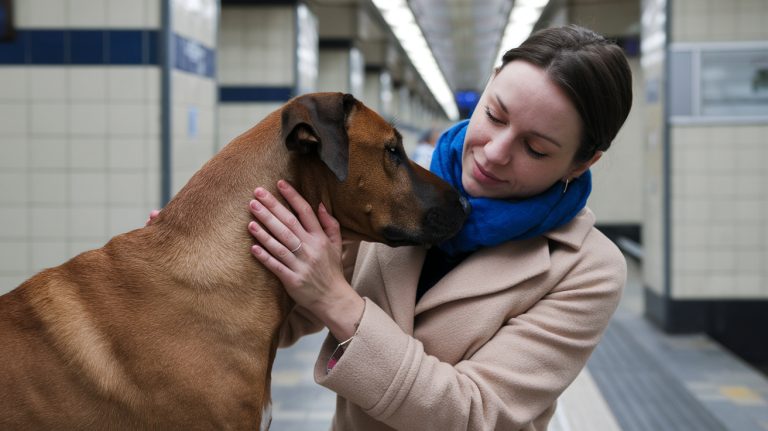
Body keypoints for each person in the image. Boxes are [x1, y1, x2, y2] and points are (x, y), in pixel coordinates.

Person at [198, 24, 632, 430]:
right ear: (489, 83)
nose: (495, 153)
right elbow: (289, 315)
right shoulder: (402, 197)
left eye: (535, 148)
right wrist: (202, 279)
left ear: (582, 162)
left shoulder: (586, 270)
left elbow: (475, 413)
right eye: (495, 116)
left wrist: (337, 300)